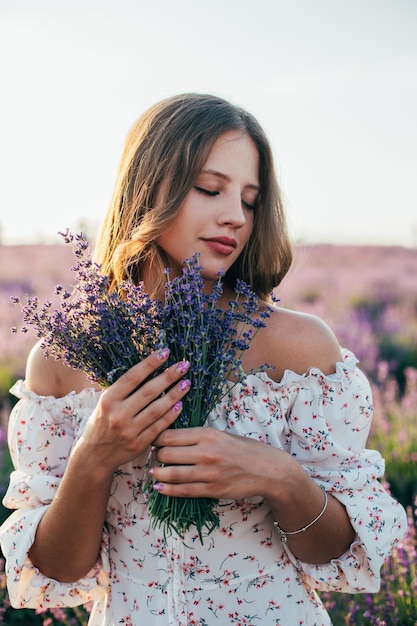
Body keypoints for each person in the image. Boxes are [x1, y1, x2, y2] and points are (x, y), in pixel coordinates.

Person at [0, 93, 407, 626]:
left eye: (250, 199)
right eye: (210, 189)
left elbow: (336, 555)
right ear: (146, 188)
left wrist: (278, 477)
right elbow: (60, 571)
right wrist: (94, 455)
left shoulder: (299, 350)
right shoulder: (62, 361)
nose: (235, 216)